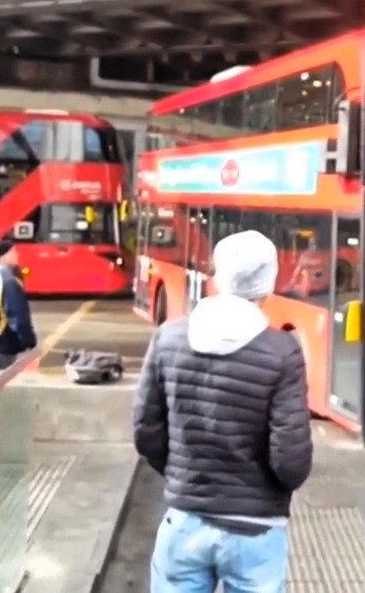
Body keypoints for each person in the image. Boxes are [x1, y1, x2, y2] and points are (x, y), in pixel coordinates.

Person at [133, 229, 313, 593]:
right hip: (256, 528)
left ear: (216, 275)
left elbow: (145, 432)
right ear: (269, 283)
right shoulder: (282, 352)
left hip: (184, 521)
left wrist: (183, 474)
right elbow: (290, 460)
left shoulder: (169, 337)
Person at [0, 240, 37, 369]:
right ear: (3, 255)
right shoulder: (5, 280)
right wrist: (28, 342)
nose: (17, 255)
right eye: (13, 252)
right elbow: (17, 317)